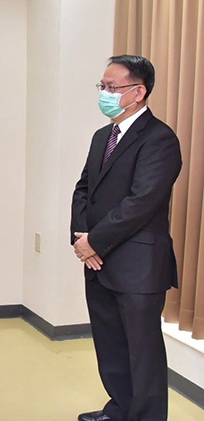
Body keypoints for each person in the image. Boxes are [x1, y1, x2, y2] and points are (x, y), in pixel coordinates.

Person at [71, 55, 182, 421]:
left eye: (112, 87)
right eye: (101, 86)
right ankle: (120, 409)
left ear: (139, 92)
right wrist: (80, 239)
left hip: (138, 266)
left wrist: (94, 242)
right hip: (98, 260)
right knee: (111, 346)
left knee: (142, 352)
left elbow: (142, 202)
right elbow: (84, 189)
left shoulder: (160, 139)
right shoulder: (102, 136)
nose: (104, 93)